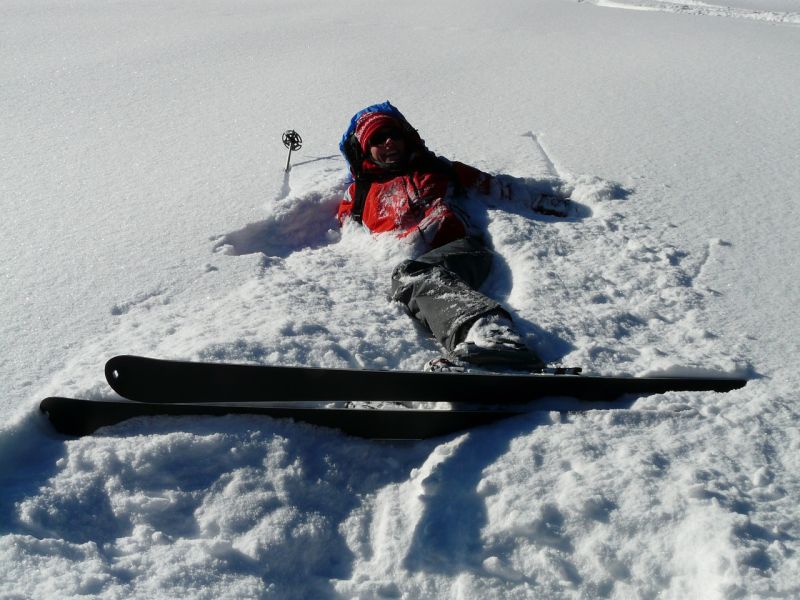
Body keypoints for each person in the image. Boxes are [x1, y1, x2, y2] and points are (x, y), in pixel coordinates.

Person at [338, 101, 560, 371]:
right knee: (411, 281)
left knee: (414, 274)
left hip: (463, 251)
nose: (388, 142)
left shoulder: (438, 170)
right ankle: (471, 362)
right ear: (364, 149)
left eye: (393, 134)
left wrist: (556, 203)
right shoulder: (359, 195)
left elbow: (498, 189)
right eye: (377, 138)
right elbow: (348, 235)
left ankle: (495, 337)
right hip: (410, 278)